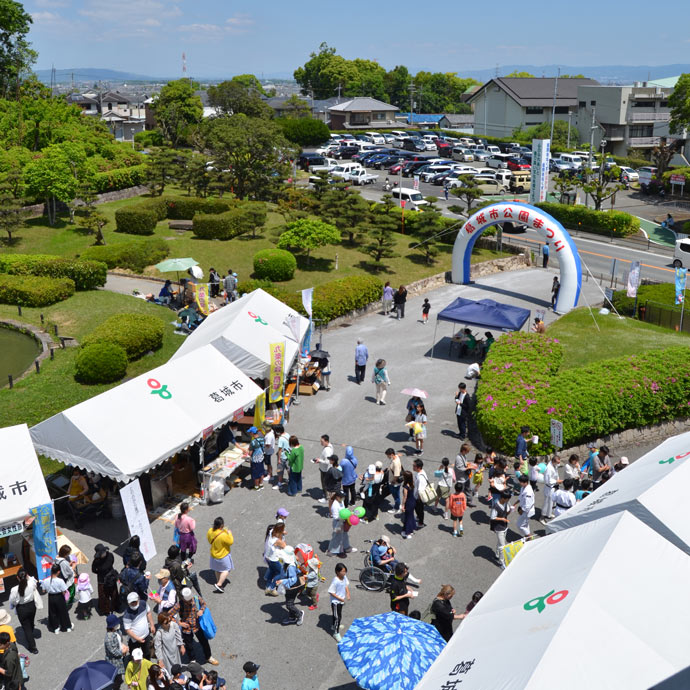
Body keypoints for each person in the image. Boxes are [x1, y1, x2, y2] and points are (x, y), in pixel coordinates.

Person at [175, 588, 218, 665]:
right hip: (186, 628)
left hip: (198, 626)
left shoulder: (196, 598)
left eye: (190, 599)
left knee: (204, 642)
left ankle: (208, 657)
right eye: (187, 600)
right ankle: (192, 660)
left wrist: (201, 610)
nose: (190, 601)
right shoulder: (179, 604)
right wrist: (179, 623)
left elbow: (204, 604)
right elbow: (169, 615)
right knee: (189, 645)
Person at [8, 569, 39, 654]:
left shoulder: (14, 589)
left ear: (17, 577)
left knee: (26, 628)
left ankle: (33, 647)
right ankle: (31, 633)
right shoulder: (31, 583)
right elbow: (34, 580)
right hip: (32, 606)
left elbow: (12, 601)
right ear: (27, 576)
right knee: (31, 620)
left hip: (21, 608)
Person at [275, 546, 305, 626]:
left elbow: (293, 579)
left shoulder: (290, 566)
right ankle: (292, 617)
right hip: (288, 587)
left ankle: (299, 615)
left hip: (292, 587)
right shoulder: (290, 562)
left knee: (289, 604)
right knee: (289, 602)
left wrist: (282, 581)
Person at [42, 563, 73, 634]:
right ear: (58, 572)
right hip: (59, 597)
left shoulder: (46, 580)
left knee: (52, 612)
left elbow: (44, 591)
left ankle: (55, 628)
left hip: (51, 597)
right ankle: (67, 627)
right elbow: (64, 591)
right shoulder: (60, 581)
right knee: (63, 612)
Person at [124, 592, 155, 659]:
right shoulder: (127, 614)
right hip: (134, 640)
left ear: (138, 599)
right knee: (134, 657)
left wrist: (152, 625)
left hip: (146, 635)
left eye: (135, 601)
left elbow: (148, 613)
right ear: (128, 603)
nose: (133, 604)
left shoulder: (143, 604)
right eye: (131, 602)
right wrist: (138, 639)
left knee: (147, 654)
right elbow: (128, 630)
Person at [207, 517, 234, 593]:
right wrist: (229, 533)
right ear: (221, 525)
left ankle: (219, 581)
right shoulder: (223, 535)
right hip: (222, 556)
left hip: (213, 555)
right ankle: (219, 584)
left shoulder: (210, 531)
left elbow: (209, 540)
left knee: (218, 569)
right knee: (227, 569)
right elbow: (230, 542)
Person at [92, 543, 119, 615]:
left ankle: (115, 606)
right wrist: (100, 573)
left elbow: (111, 563)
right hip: (102, 580)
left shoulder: (110, 555)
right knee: (103, 596)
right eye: (102, 552)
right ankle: (105, 610)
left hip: (111, 577)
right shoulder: (96, 561)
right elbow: (93, 570)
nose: (104, 553)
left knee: (114, 593)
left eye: (104, 551)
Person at [490, 490, 513, 569]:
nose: (508, 501)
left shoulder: (505, 503)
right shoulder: (496, 506)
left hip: (504, 526)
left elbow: (506, 513)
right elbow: (492, 517)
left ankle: (497, 555)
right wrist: (502, 519)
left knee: (500, 542)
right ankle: (501, 562)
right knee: (502, 546)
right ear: (503, 498)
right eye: (508, 499)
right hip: (498, 528)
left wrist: (510, 510)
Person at [328, 563, 350, 643]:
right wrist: (340, 598)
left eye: (345, 571)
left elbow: (346, 585)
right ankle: (336, 633)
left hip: (341, 601)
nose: (344, 573)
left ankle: (334, 626)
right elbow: (331, 592)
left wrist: (348, 593)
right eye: (343, 571)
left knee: (338, 614)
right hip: (335, 602)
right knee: (338, 617)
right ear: (337, 572)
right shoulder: (335, 581)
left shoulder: (344, 577)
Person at [263, 523, 287, 596]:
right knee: (280, 573)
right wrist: (283, 535)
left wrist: (281, 532)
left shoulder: (271, 532)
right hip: (274, 559)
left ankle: (267, 586)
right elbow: (284, 546)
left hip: (267, 557)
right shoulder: (277, 540)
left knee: (272, 571)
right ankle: (272, 588)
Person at [328, 491, 354, 557]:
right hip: (338, 523)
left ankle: (346, 548)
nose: (343, 498)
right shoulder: (334, 505)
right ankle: (334, 551)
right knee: (337, 537)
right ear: (337, 497)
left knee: (345, 535)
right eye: (342, 497)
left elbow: (344, 510)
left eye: (344, 497)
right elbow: (335, 517)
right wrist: (344, 516)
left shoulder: (341, 501)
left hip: (343, 521)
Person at [104, 614, 128, 687]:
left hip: (119, 658)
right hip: (114, 661)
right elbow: (114, 651)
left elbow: (119, 641)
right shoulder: (109, 638)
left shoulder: (117, 631)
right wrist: (123, 651)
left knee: (119, 675)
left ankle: (119, 680)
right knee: (116, 678)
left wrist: (123, 645)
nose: (118, 625)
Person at [541, 455, 562, 524]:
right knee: (546, 503)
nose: (558, 464)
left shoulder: (554, 465)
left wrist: (557, 480)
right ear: (554, 461)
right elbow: (548, 480)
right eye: (558, 462)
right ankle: (542, 517)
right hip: (549, 487)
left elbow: (556, 474)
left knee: (551, 502)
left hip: (553, 487)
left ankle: (548, 514)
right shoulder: (549, 468)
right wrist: (557, 481)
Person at [313, 434, 334, 503]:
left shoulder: (327, 450)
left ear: (326, 441)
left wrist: (319, 460)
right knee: (326, 483)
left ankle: (326, 498)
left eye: (322, 441)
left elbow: (327, 461)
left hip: (325, 470)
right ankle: (326, 494)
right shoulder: (330, 446)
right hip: (326, 468)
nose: (321, 443)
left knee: (325, 483)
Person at [412, 459, 430, 528]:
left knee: (420, 510)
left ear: (419, 467)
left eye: (414, 466)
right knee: (418, 510)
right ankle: (418, 517)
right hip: (417, 495)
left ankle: (421, 523)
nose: (413, 467)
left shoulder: (421, 478)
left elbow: (420, 491)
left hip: (419, 498)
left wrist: (418, 500)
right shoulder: (420, 472)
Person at [248, 426, 266, 491]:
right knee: (261, 472)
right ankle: (261, 484)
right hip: (261, 458)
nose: (249, 434)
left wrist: (248, 452)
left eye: (250, 432)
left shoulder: (253, 442)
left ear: (252, 433)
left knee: (255, 475)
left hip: (255, 460)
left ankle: (256, 486)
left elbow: (250, 453)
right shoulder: (262, 438)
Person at [273, 424, 290, 491]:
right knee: (289, 470)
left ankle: (279, 483)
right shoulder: (287, 434)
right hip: (288, 455)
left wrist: (279, 459)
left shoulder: (281, 439)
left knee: (279, 471)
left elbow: (280, 450)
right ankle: (290, 481)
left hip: (283, 457)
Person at [386, 448, 403, 514]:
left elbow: (396, 475)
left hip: (395, 483)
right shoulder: (396, 458)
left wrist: (393, 482)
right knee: (397, 495)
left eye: (388, 455)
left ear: (392, 454)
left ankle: (396, 508)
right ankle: (397, 505)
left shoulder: (395, 463)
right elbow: (398, 455)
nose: (387, 457)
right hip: (395, 481)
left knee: (396, 496)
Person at [401, 471, 417, 539]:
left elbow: (405, 497)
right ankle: (411, 529)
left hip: (408, 503)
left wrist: (402, 505)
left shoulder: (406, 487)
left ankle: (408, 532)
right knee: (411, 516)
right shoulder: (412, 483)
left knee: (407, 518)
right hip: (413, 501)